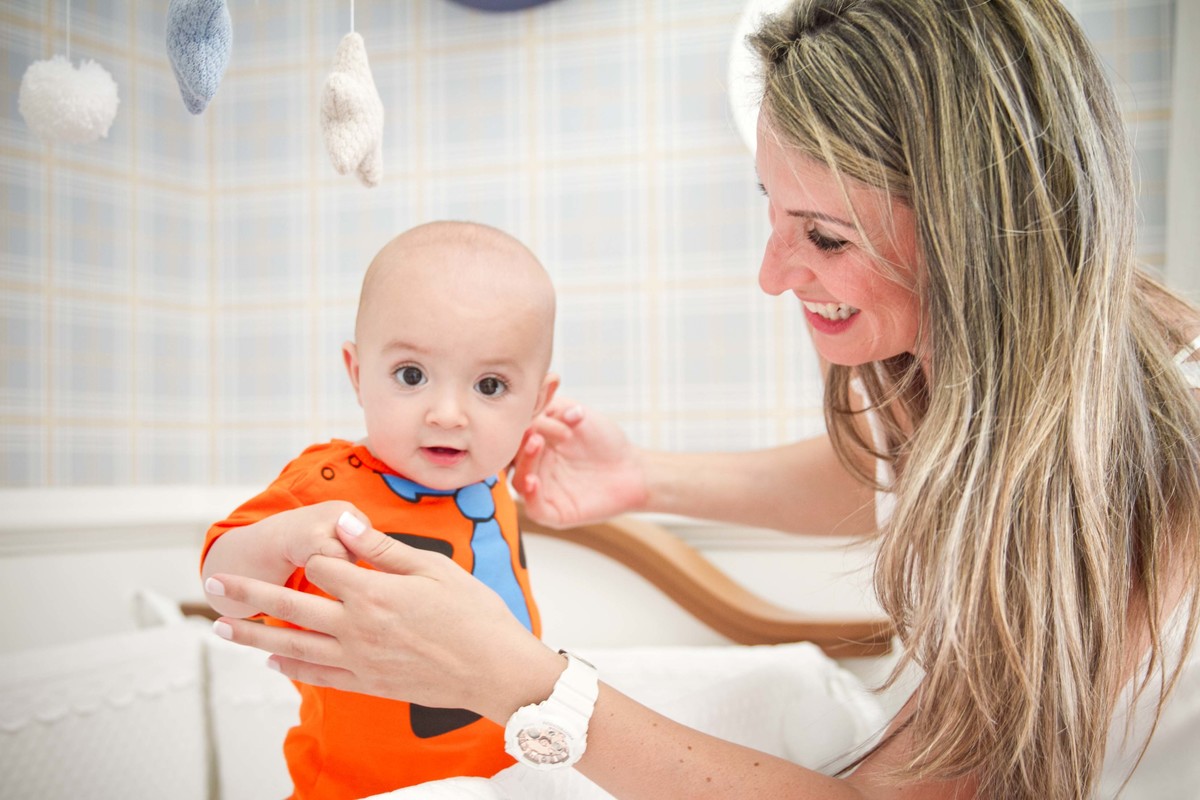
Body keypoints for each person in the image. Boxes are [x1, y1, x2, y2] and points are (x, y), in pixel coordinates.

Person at [203, 1, 1200, 797]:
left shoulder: (1137, 469)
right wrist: (645, 478)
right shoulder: (968, 399)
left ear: (976, 233)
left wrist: (526, 685)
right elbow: (885, 474)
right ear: (354, 368)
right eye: (772, 212)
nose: (775, 273)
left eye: (825, 235)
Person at [200, 220, 560, 799]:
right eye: (411, 375)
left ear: (537, 402)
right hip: (353, 788)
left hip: (500, 776)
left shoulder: (493, 479)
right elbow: (218, 583)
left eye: (490, 386)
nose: (448, 414)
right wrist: (283, 539)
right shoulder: (325, 484)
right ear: (358, 374)